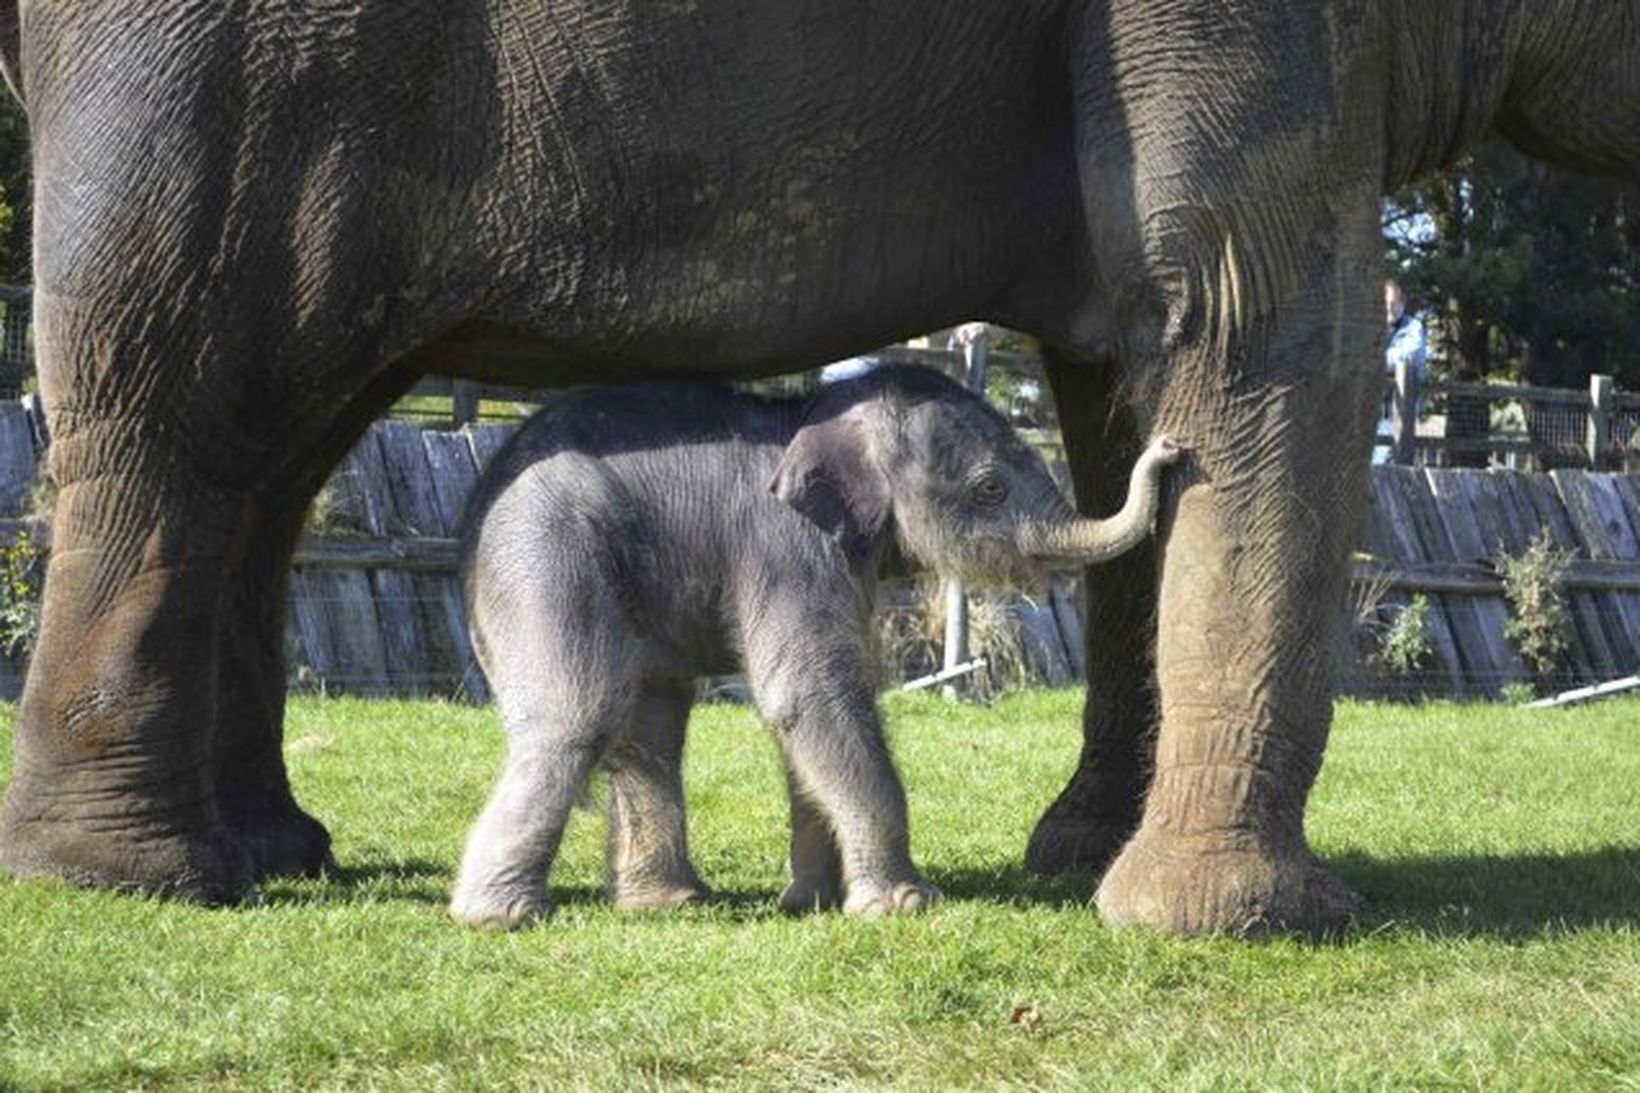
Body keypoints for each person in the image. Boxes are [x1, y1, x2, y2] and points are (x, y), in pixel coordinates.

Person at [1376, 279, 1428, 462]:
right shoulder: (1375, 328)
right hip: (1372, 407)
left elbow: (1408, 355)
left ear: (1402, 303)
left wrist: (1375, 361)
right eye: (1385, 304)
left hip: (1398, 408)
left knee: (1385, 461)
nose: (1389, 308)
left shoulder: (1414, 328)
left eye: (1393, 304)